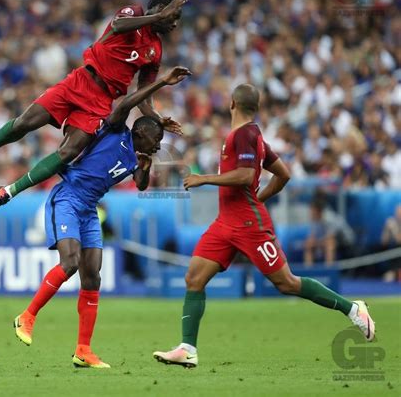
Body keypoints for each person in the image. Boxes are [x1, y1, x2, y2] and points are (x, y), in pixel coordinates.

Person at [153, 84, 375, 368]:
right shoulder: (249, 136)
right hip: (226, 222)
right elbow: (283, 174)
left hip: (248, 224)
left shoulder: (246, 134)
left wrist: (205, 179)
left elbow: (246, 175)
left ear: (232, 103)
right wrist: (260, 197)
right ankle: (187, 348)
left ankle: (353, 309)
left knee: (287, 282)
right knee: (194, 279)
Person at [0, 0, 187, 213]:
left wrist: (157, 118)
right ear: (159, 10)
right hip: (80, 81)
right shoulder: (134, 13)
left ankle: (9, 191)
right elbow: (117, 25)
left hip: (100, 102)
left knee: (67, 153)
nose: (175, 23)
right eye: (173, 16)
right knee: (25, 123)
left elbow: (143, 97)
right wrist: (157, 18)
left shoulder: (155, 50)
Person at [13, 66, 191, 368]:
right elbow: (123, 104)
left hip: (89, 210)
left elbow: (141, 184)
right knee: (69, 263)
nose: (159, 145)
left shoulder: (137, 156)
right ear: (142, 132)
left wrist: (146, 165)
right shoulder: (116, 129)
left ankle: (83, 349)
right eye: (156, 139)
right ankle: (26, 317)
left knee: (92, 275)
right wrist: (161, 82)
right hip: (67, 198)